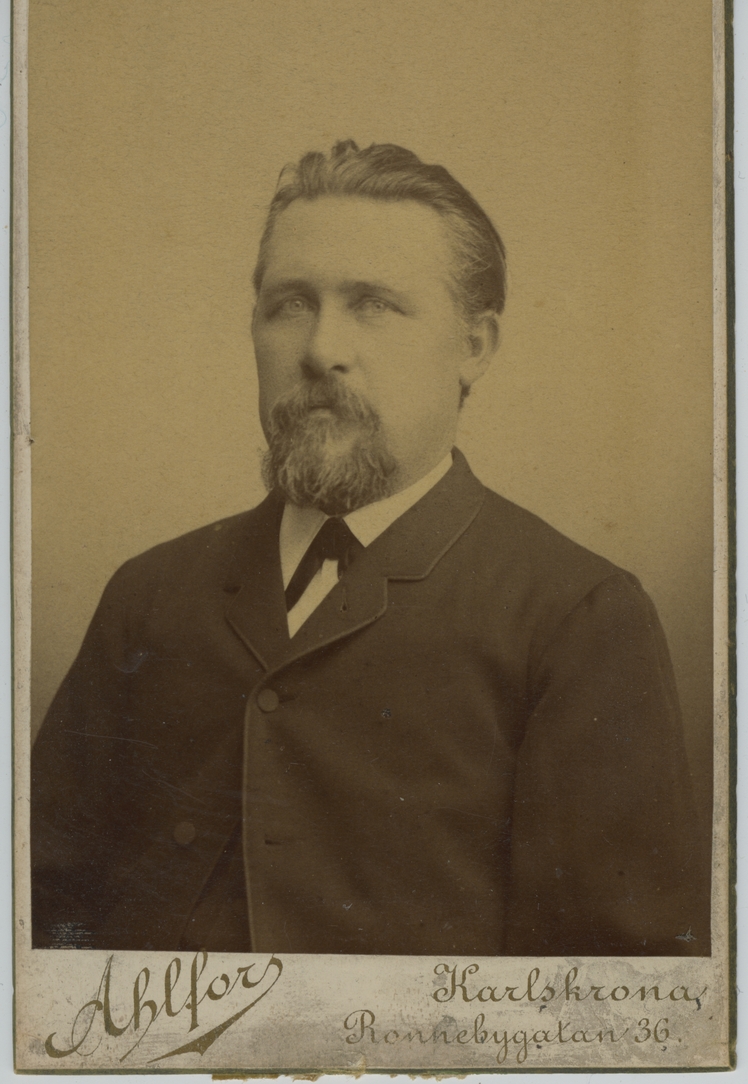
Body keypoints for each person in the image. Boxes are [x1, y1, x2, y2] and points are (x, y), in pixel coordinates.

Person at [31, 140, 709, 956]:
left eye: (374, 305)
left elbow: (613, 985)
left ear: (475, 346)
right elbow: (41, 917)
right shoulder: (150, 595)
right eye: (290, 304)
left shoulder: (575, 617)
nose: (321, 350)